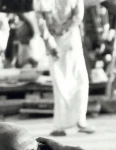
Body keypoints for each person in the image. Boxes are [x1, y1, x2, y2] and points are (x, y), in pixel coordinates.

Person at [38, 0, 94, 136]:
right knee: (60, 82)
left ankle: (80, 120)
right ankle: (61, 125)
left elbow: (78, 16)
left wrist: (60, 31)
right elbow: (41, 21)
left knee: (79, 80)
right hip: (57, 41)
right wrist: (50, 41)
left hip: (69, 40)